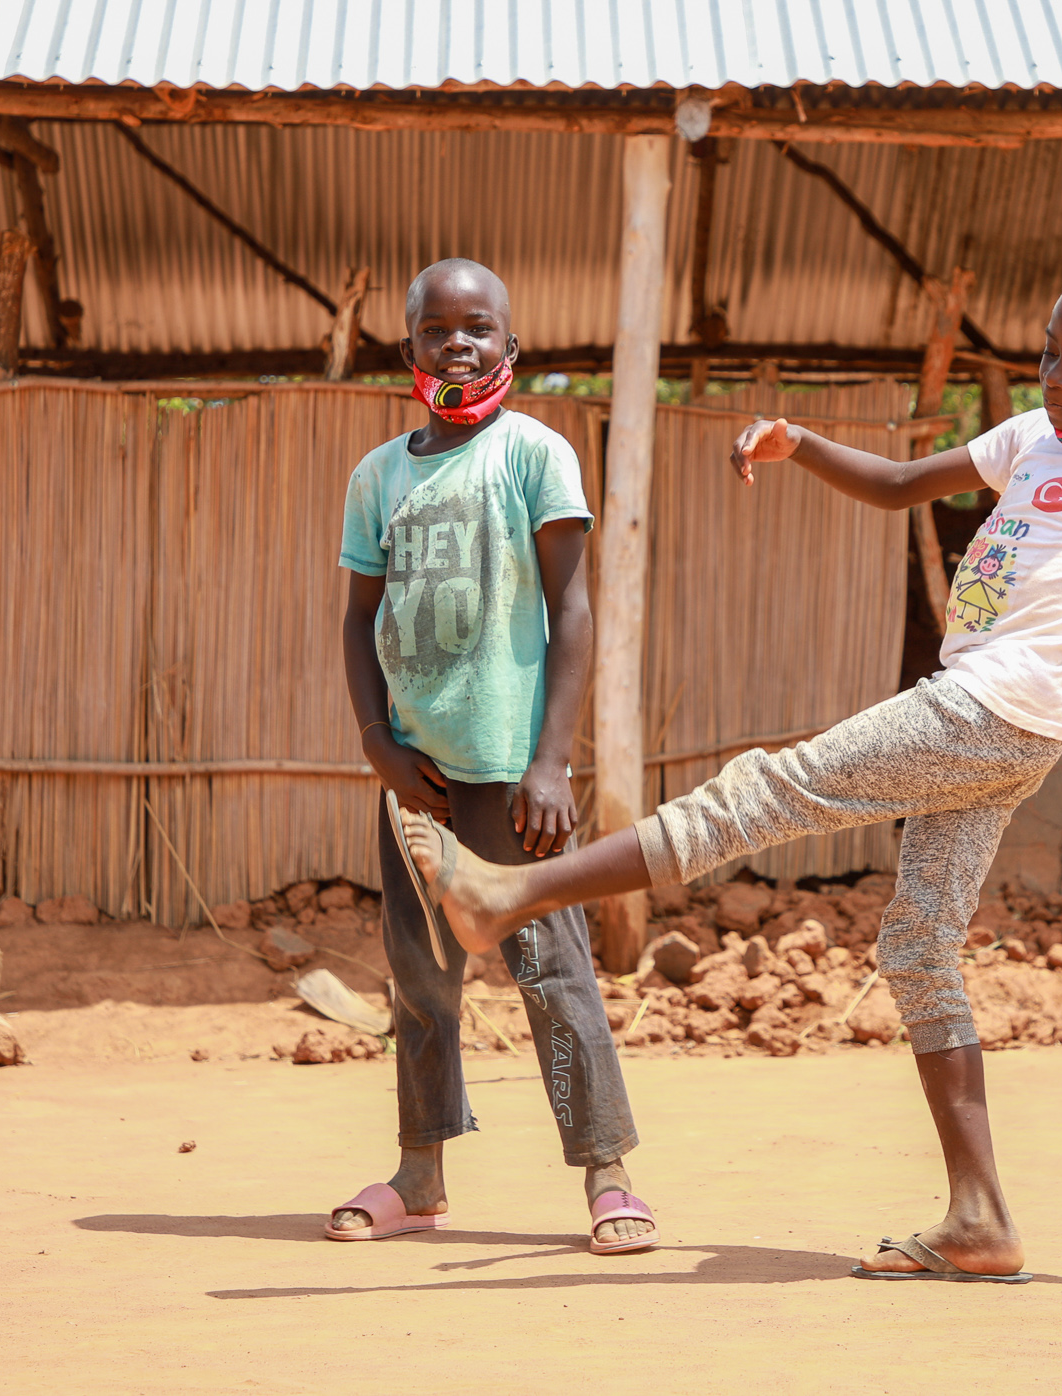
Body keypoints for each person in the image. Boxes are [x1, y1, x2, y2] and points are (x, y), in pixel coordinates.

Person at [391, 259, 1062, 1282]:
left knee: (761, 790)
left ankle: (507, 892)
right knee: (918, 945)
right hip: (1005, 733)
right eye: (1048, 351)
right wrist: (802, 444)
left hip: (987, 712)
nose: (1053, 374)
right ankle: (979, 1217)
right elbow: (895, 485)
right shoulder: (1028, 439)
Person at [330, 258, 657, 1254]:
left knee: (550, 970)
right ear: (409, 348)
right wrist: (377, 743)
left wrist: (552, 760)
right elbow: (357, 621)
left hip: (513, 779)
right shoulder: (377, 476)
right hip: (414, 783)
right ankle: (419, 1174)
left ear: (509, 348)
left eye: (479, 329)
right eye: (438, 330)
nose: (458, 345)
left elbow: (570, 606)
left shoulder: (534, 456)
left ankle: (606, 1170)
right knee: (418, 979)